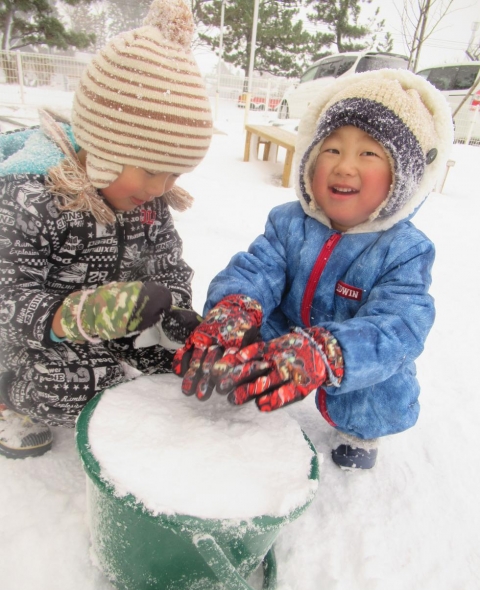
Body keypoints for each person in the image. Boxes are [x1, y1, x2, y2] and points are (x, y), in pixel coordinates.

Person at [173, 68, 453, 470]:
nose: (344, 167)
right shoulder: (289, 223)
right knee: (244, 338)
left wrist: (330, 351)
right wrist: (235, 306)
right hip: (288, 333)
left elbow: (400, 325)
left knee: (375, 389)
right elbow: (258, 269)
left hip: (353, 356)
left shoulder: (404, 250)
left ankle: (359, 431)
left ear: (402, 178)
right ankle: (251, 383)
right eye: (333, 149)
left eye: (369, 153)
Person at [0, 0, 212, 459]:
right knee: (80, 387)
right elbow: (9, 298)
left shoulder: (147, 201)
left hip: (114, 320)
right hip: (36, 336)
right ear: (106, 142)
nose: (160, 188)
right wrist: (80, 316)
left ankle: (112, 362)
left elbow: (168, 262)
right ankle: (8, 398)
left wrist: (176, 311)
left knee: (174, 363)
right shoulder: (31, 197)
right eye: (152, 169)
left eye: (174, 175)